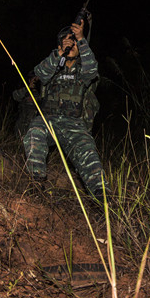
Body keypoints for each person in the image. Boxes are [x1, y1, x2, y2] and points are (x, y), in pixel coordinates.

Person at [23, 20, 109, 201]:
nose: (71, 44)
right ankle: (36, 184)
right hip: (49, 119)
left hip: (74, 123)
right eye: (66, 40)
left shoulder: (84, 70)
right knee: (34, 132)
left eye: (74, 42)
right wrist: (59, 52)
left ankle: (104, 200)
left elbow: (93, 70)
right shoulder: (54, 65)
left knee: (90, 156)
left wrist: (81, 38)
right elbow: (39, 72)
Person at [12, 73, 42, 140]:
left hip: (36, 123)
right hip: (23, 122)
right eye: (33, 79)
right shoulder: (24, 90)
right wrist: (28, 88)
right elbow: (15, 96)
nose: (35, 81)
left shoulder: (41, 91)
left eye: (37, 79)